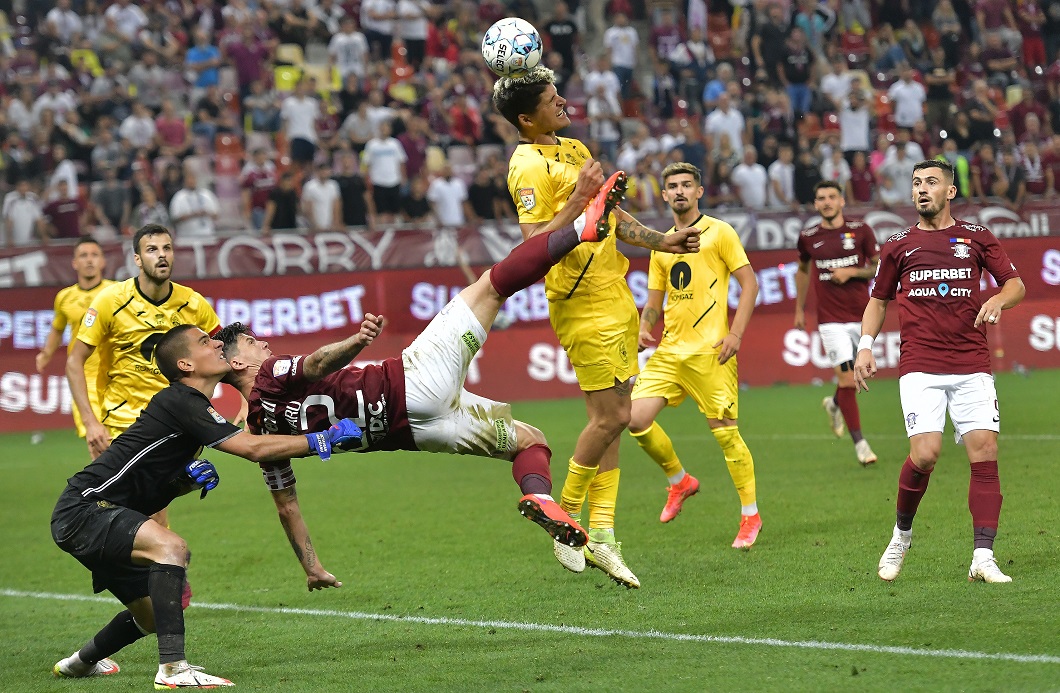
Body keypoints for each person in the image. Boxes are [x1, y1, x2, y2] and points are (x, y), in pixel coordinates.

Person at [220, 183, 631, 582]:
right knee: (492, 285)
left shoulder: (262, 435)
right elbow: (317, 362)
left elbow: (287, 507)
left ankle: (541, 499)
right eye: (253, 343)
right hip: (411, 380)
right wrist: (357, 341)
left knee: (530, 441)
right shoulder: (270, 376)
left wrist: (312, 567)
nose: (265, 344)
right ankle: (583, 229)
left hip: (416, 431)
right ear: (236, 360)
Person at [50, 323, 362, 688]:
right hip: (86, 509)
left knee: (151, 619)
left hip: (104, 513)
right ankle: (173, 670)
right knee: (172, 548)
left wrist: (183, 482)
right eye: (204, 342)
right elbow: (252, 448)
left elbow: (147, 482)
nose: (215, 343)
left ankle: (79, 663)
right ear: (185, 365)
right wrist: (322, 438)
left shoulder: (190, 408)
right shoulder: (180, 400)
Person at [493, 66, 702, 588]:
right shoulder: (525, 167)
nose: (562, 101)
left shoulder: (574, 148)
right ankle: (562, 513)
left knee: (614, 418)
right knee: (611, 419)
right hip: (581, 301)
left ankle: (604, 536)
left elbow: (611, 215)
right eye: (550, 99)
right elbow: (530, 246)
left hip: (615, 292)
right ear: (526, 117)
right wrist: (576, 197)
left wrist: (662, 240)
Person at [854, 159, 1026, 584]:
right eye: (916, 183)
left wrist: (999, 300)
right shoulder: (898, 245)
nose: (921, 189)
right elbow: (878, 301)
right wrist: (864, 346)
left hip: (971, 363)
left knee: (984, 450)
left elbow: (1016, 284)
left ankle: (983, 557)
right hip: (921, 365)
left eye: (931, 182)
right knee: (926, 454)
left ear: (950, 191)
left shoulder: (977, 238)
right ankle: (901, 535)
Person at [66, 224, 240, 538]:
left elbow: (224, 352)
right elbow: (74, 360)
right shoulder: (111, 300)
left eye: (166, 248)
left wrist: (244, 398)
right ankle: (164, 579)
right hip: (121, 422)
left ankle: (156, 580)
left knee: (148, 517)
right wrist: (91, 422)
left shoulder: (193, 304)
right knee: (131, 515)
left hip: (173, 423)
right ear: (136, 258)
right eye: (152, 249)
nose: (161, 255)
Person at [627, 162, 763, 546]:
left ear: (699, 192)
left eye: (688, 184)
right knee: (634, 419)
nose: (680, 191)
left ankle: (750, 516)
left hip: (712, 350)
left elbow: (749, 284)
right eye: (673, 186)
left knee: (726, 436)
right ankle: (679, 480)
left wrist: (735, 333)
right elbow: (655, 299)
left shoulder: (719, 232)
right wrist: (644, 326)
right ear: (665, 194)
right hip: (671, 351)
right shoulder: (661, 244)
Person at [794, 181, 880, 466]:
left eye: (832, 196)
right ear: (816, 204)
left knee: (858, 376)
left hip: (862, 316)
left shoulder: (861, 231)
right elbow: (803, 271)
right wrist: (799, 309)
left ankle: (833, 404)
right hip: (830, 321)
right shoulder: (808, 237)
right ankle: (861, 445)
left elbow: (877, 266)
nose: (827, 202)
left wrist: (852, 272)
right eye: (821, 198)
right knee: (846, 379)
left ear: (842, 201)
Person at [36, 238, 115, 440]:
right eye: (83, 255)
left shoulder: (116, 292)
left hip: (116, 376)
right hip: (84, 379)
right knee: (96, 440)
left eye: (94, 255)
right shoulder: (64, 297)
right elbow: (57, 328)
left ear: (103, 261)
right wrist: (46, 354)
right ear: (74, 263)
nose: (89, 260)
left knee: (120, 442)